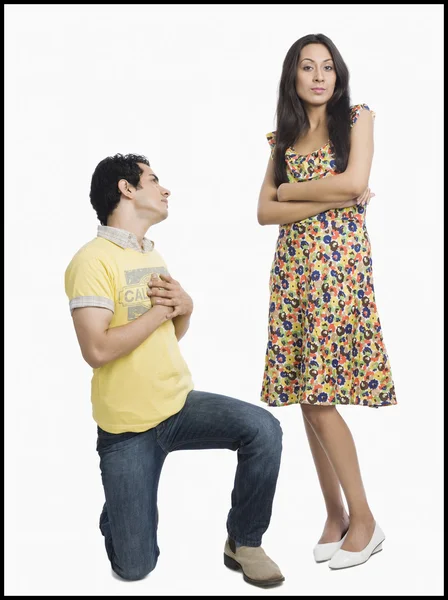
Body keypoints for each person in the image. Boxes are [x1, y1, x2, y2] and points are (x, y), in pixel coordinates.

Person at [64, 153, 284, 587]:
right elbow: (97, 349)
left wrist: (184, 311)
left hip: (177, 404)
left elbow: (164, 337)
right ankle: (121, 507)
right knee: (134, 568)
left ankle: (244, 541)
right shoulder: (92, 261)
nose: (165, 190)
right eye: (153, 180)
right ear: (126, 189)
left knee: (264, 430)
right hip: (127, 428)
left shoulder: (151, 254)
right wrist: (160, 312)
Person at [257, 33, 397, 570]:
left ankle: (365, 519)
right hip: (293, 271)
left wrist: (291, 190)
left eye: (328, 67)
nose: (319, 76)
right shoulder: (283, 139)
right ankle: (335, 514)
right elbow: (263, 214)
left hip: (337, 270)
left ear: (339, 76)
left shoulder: (358, 118)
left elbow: (356, 180)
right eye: (307, 67)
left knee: (319, 395)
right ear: (293, 77)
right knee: (302, 392)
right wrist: (331, 190)